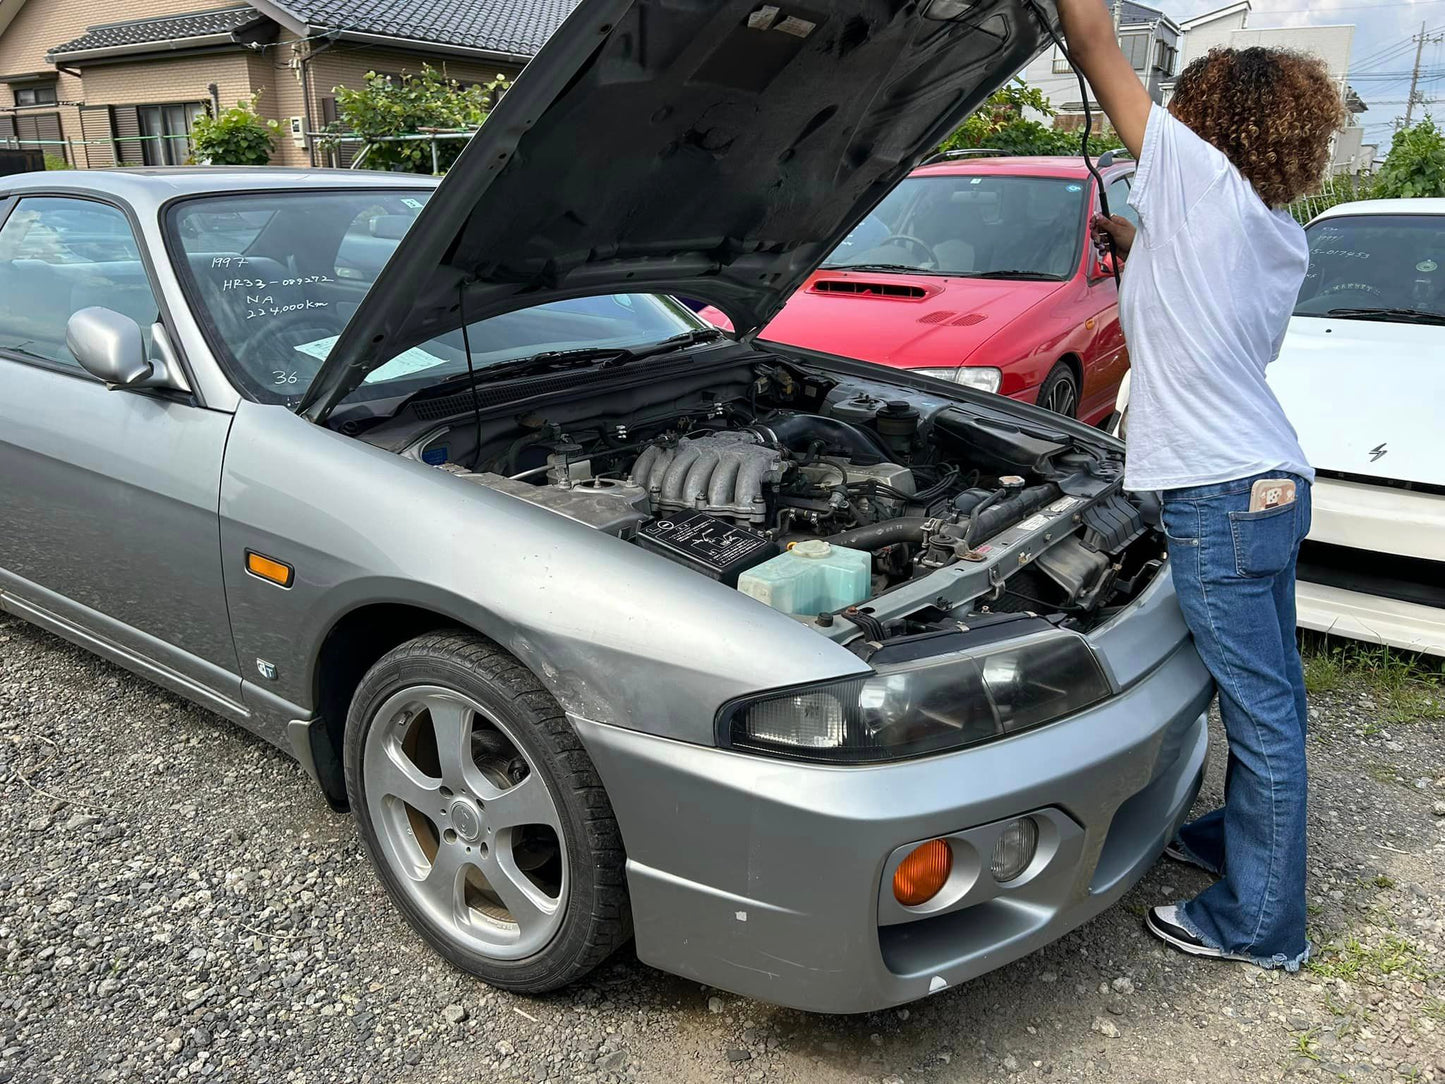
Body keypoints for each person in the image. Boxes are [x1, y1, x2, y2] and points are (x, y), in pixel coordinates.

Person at [1054, 0, 1347, 969]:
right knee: (1271, 696)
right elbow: (1205, 305)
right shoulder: (1274, 232)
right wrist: (1136, 250)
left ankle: (1262, 924)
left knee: (1258, 711)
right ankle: (1239, 844)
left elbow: (1093, 42)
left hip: (1219, 494)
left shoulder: (1190, 172)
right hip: (1271, 480)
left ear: (1210, 117)